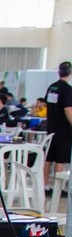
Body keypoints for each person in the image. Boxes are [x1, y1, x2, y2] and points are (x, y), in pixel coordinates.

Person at [45, 61, 72, 191]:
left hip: (51, 128)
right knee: (60, 159)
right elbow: (68, 110)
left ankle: (44, 185)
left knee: (48, 158)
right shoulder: (67, 89)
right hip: (63, 129)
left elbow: (48, 104)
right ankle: (57, 188)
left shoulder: (52, 87)